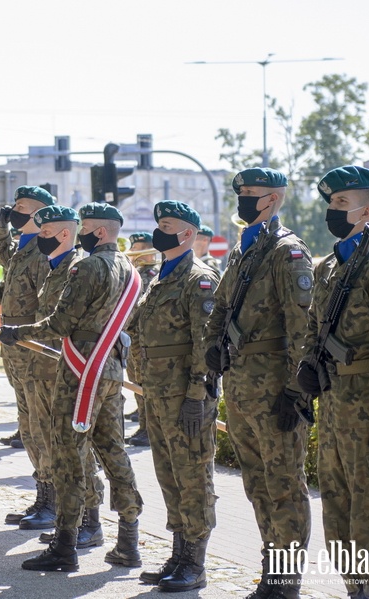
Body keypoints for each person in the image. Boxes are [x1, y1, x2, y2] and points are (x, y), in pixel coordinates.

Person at [0, 202, 144, 573]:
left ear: (99, 231)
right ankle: (128, 540)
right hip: (108, 367)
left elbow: (60, 322)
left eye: (86, 228)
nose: (81, 235)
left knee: (68, 457)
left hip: (81, 369)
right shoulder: (128, 268)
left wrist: (18, 333)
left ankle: (66, 545)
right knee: (114, 454)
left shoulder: (87, 266)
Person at [297, 166, 369, 599]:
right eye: (330, 203)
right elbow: (314, 330)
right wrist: (306, 372)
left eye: (340, 204)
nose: (331, 211)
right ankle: (355, 588)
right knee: (338, 506)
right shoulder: (329, 267)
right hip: (335, 406)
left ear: (366, 212)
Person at [204, 167, 313, 599]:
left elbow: (302, 327)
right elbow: (223, 304)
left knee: (284, 482)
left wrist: (295, 390)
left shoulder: (288, 252)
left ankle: (285, 580)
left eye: (251, 193)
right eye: (241, 192)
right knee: (257, 482)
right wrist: (212, 345)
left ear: (272, 199)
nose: (243, 199)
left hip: (274, 386)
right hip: (242, 381)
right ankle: (272, 570)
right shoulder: (246, 249)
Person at [127, 202, 220, 592]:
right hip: (158, 394)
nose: (158, 231)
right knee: (169, 476)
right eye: (158, 224)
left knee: (193, 477)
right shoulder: (161, 276)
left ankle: (194, 562)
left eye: (167, 225)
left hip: (185, 395)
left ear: (186, 233)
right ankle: (178, 553)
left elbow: (205, 343)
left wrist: (197, 395)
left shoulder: (199, 278)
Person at [26, 206, 106, 545]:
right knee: (52, 446)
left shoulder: (77, 268)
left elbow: (64, 323)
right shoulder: (52, 268)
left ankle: (92, 521)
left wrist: (19, 332)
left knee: (79, 448)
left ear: (63, 234)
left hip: (69, 370)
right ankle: (64, 516)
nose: (39, 238)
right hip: (43, 369)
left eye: (45, 233)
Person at [0, 185, 54, 526]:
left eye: (21, 208)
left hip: (34, 349)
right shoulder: (21, 250)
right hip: (15, 348)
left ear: (39, 213)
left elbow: (48, 308)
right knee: (28, 428)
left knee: (41, 428)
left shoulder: (44, 255)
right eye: (13, 207)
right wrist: (2, 224)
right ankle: (41, 496)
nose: (15, 211)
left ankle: (52, 503)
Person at [125, 231, 158, 448]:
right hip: (132, 339)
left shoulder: (149, 275)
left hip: (141, 339)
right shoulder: (135, 273)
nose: (131, 252)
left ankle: (149, 431)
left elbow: (137, 309)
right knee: (137, 386)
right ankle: (144, 427)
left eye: (136, 249)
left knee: (144, 386)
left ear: (147, 252)